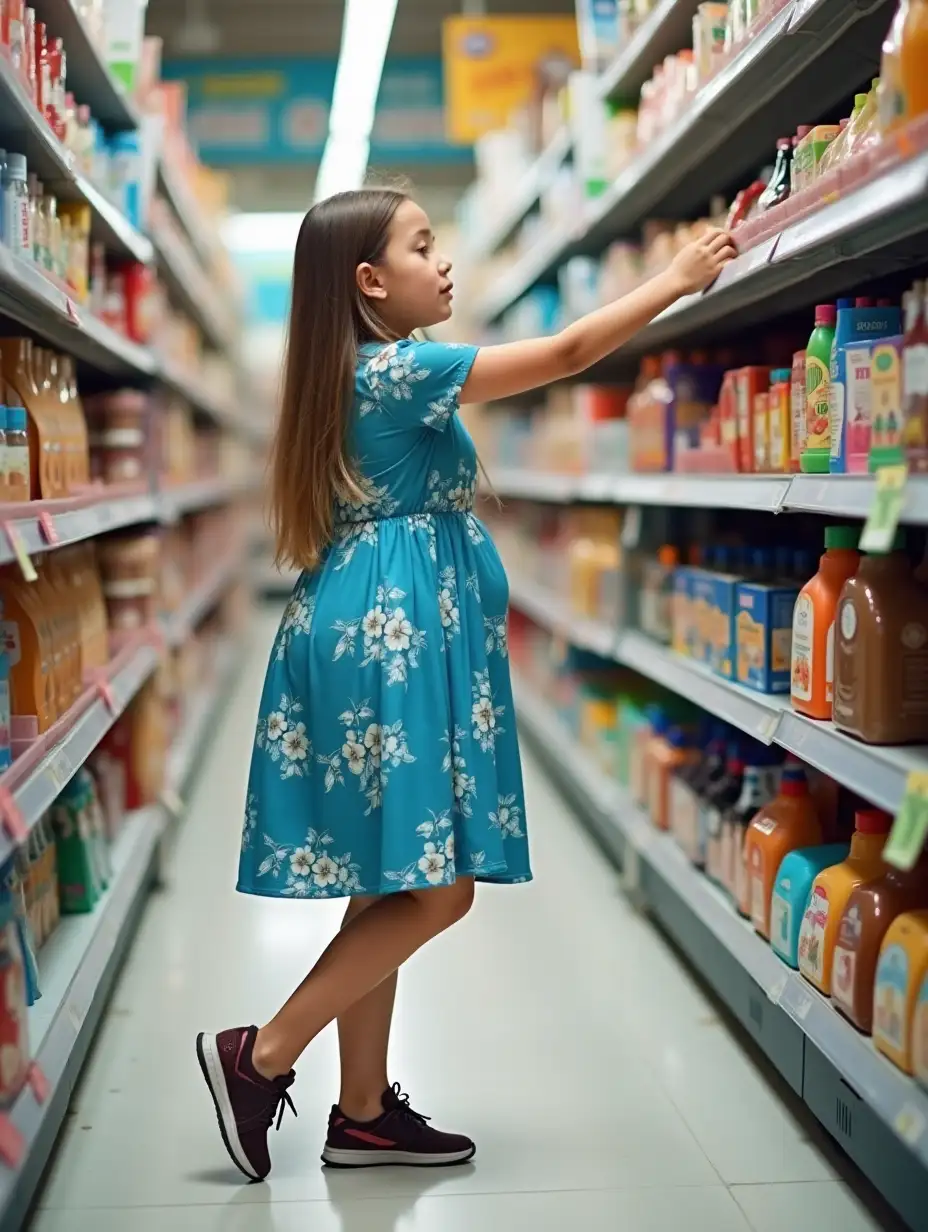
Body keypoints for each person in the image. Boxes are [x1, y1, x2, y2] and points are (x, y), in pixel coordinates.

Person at [196, 188, 736, 1183]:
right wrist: (674, 279)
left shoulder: (351, 373)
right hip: (390, 635)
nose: (442, 264)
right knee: (439, 888)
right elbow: (569, 355)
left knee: (388, 880)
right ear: (369, 281)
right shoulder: (402, 369)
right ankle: (262, 1050)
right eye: (422, 245)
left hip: (366, 622)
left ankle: (360, 1113)